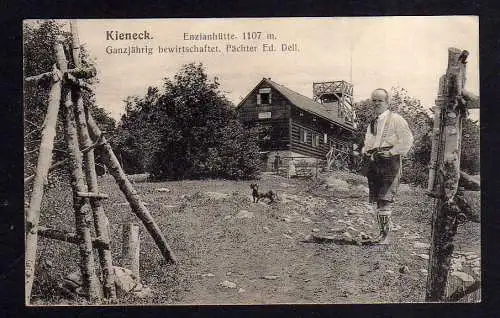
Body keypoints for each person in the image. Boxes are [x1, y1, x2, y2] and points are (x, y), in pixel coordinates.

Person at [361, 88, 414, 245]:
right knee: (379, 199)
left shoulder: (396, 119)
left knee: (385, 198)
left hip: (390, 162)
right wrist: (366, 152)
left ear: (387, 102)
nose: (377, 103)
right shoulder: (372, 123)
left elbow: (407, 139)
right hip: (375, 161)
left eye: (380, 101)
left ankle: (386, 237)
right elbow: (368, 142)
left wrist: (392, 152)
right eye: (374, 100)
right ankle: (382, 235)